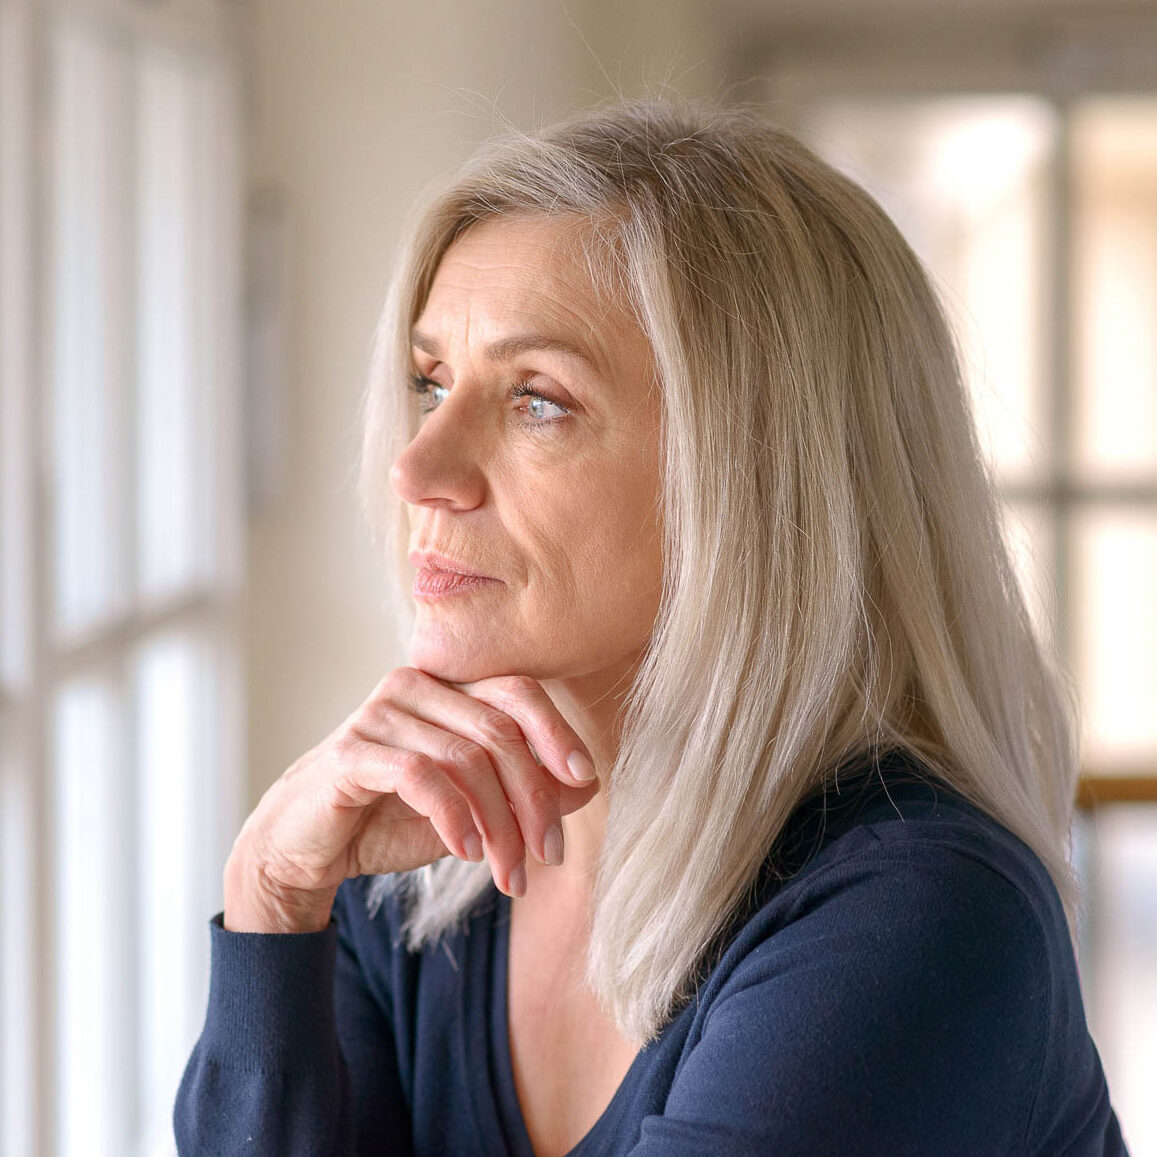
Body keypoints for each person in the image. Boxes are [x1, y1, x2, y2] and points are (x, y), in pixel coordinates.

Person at [174, 99, 1128, 1155]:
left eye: (537, 398)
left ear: (756, 479)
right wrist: (267, 892)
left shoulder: (917, 913)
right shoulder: (413, 884)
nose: (416, 468)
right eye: (429, 381)